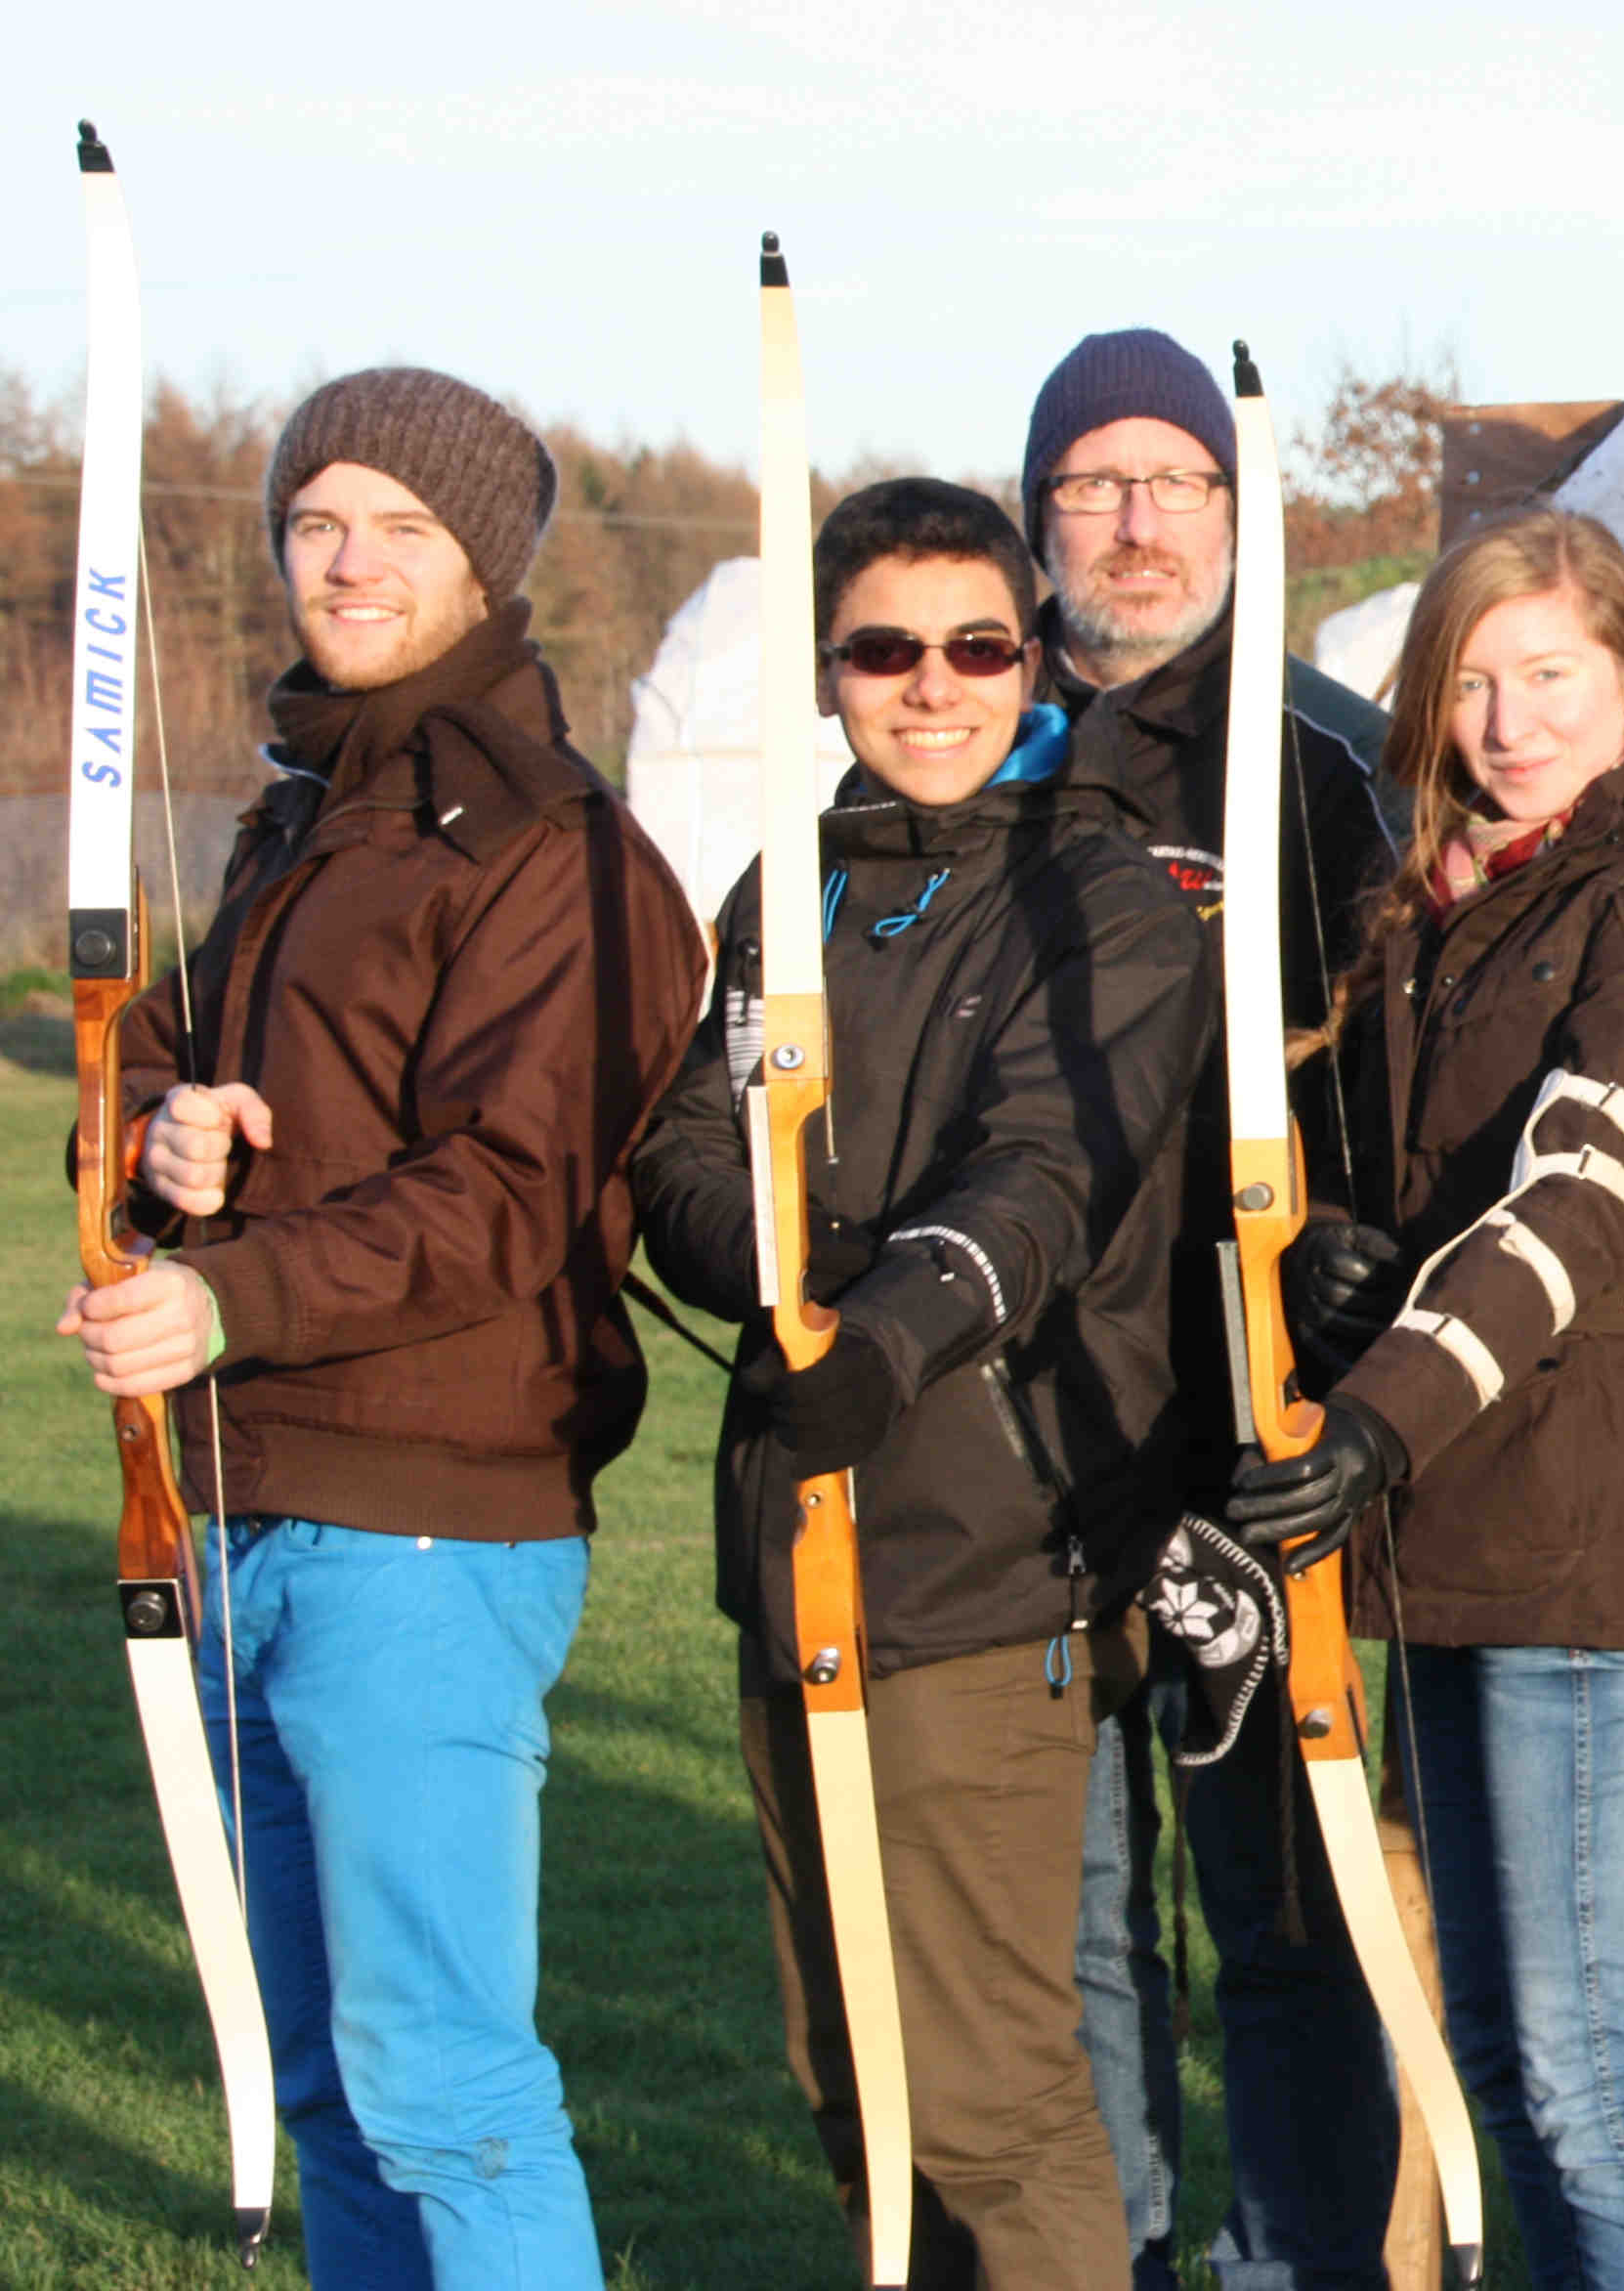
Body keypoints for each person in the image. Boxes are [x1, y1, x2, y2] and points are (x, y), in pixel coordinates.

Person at [57, 366, 704, 2290]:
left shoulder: (549, 846)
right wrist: (164, 1132)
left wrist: (227, 1288)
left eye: (399, 527)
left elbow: (510, 1184)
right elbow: (144, 1073)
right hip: (253, 1503)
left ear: (485, 565)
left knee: (441, 2085)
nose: (348, 560)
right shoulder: (297, 823)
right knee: (327, 2083)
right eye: (317, 518)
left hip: (423, 1528)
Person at [630, 478, 1211, 2287]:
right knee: (847, 2069)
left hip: (986, 1555)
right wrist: (798, 1290)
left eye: (976, 645)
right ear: (830, 675)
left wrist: (885, 1331)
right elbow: (679, 1153)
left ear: (1030, 657)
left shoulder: (1102, 900)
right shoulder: (780, 893)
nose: (933, 686)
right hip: (797, 1537)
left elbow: (1043, 1177)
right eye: (886, 649)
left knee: (981, 2089)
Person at [1226, 509, 1624, 2291]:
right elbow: (1437, 1189)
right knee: (1490, 2049)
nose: (1508, 717)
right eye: (1471, 680)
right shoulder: (1451, 899)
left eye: (1551, 673)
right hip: (1455, 1508)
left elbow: (1581, 1194)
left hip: (1577, 1516)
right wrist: (1347, 1256)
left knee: (1584, 2063)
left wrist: (1377, 1414)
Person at [1017, 325, 1402, 2290]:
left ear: (1236, 515)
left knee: (1274, 1904)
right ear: (1038, 516)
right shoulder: (961, 741)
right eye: (1095, 483)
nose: (1137, 521)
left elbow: (1389, 1078)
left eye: (1176, 480)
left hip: (1239, 1421)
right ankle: (1123, 2249)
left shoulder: (1309, 759)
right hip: (1008, 1437)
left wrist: (1352, 1243)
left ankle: (1301, 2255)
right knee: (1076, 1911)